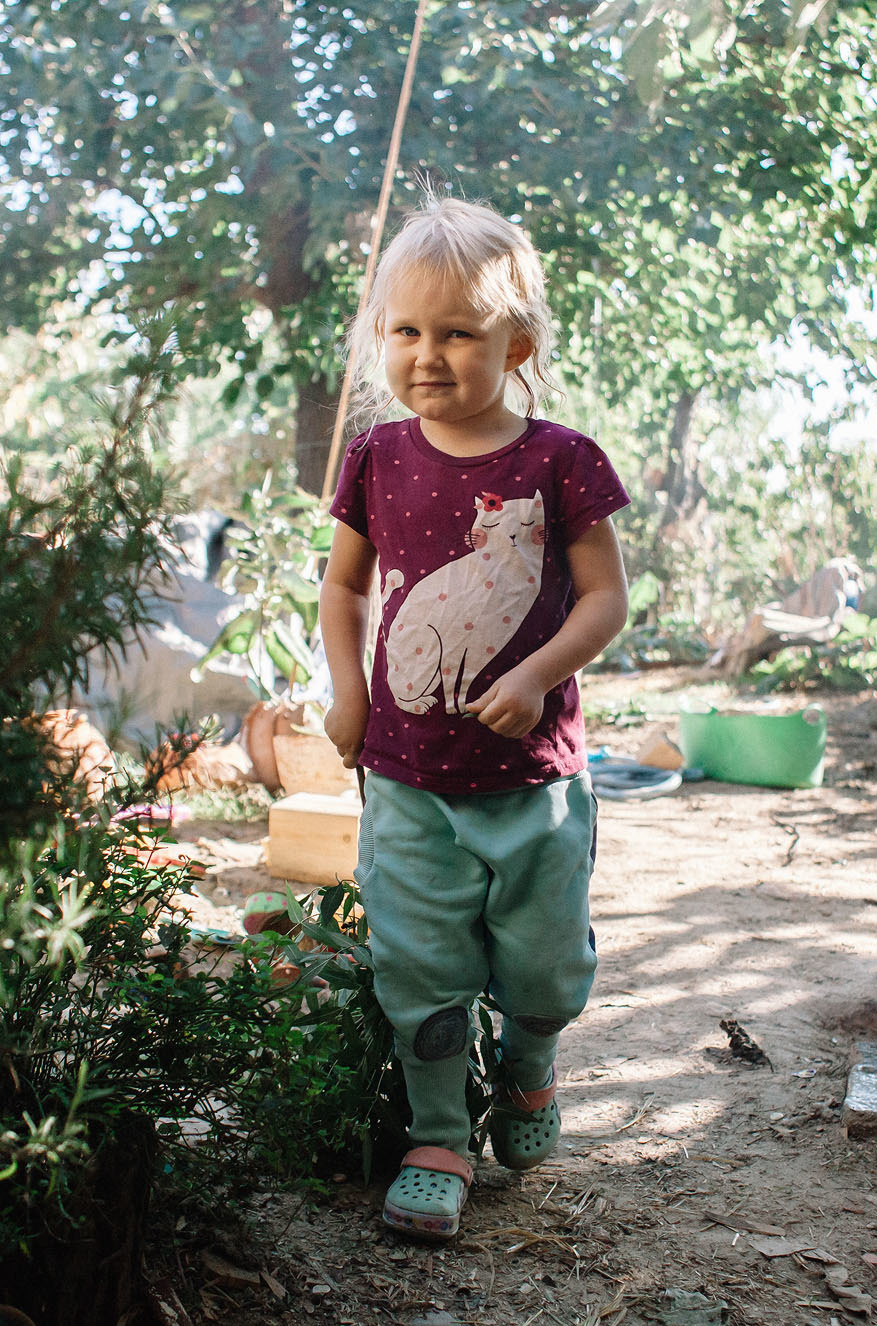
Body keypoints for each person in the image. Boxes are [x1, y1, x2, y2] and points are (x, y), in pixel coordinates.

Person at [319, 197, 630, 1239]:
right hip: (406, 774)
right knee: (418, 965)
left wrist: (539, 672)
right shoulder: (375, 457)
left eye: (457, 331)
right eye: (404, 331)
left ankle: (532, 1063)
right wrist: (348, 692)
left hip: (533, 783)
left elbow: (602, 600)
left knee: (541, 966)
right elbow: (346, 590)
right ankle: (438, 1134)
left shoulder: (559, 461)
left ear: (517, 345)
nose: (428, 355)